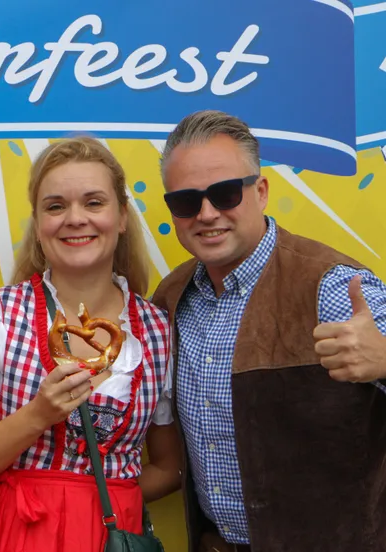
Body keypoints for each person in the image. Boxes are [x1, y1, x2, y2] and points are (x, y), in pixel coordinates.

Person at [150, 111, 386, 552]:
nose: (206, 214)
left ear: (260, 192)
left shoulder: (330, 286)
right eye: (186, 201)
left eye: (224, 194)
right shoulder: (171, 297)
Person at [0, 137, 182, 552]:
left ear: (122, 216)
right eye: (55, 206)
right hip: (12, 534)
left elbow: (169, 467)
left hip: (110, 536)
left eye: (93, 203)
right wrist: (37, 415)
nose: (74, 218)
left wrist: (93, 502)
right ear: (39, 223)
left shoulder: (157, 331)